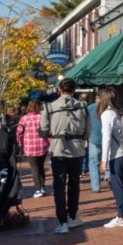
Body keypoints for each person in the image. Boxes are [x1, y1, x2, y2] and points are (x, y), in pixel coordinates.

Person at [41, 78, 90, 234]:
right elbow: (88, 129)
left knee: (59, 185)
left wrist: (52, 132)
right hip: (77, 149)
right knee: (74, 184)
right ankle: (73, 217)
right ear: (74, 90)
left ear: (59, 90)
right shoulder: (82, 106)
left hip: (58, 149)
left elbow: (43, 130)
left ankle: (62, 222)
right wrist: (81, 137)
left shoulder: (49, 107)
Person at [99, 86, 123, 228]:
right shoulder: (121, 112)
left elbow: (106, 138)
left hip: (116, 155)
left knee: (118, 185)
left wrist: (104, 159)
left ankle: (119, 216)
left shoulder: (107, 115)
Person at [16, 100, 50, 198]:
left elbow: (19, 133)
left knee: (34, 168)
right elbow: (47, 130)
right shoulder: (42, 117)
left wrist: (20, 144)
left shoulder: (24, 119)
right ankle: (42, 186)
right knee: (41, 167)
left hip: (29, 146)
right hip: (42, 145)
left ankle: (38, 189)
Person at [86, 91, 103, 193]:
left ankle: (96, 186)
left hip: (93, 137)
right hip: (108, 137)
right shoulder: (110, 108)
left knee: (93, 162)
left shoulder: (90, 108)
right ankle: (109, 176)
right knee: (109, 159)